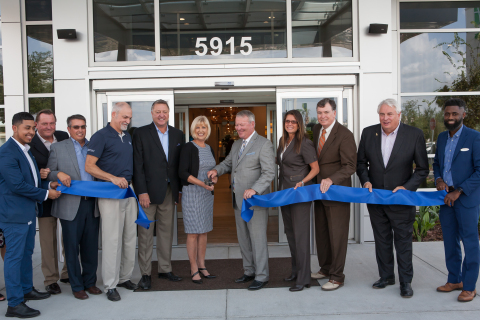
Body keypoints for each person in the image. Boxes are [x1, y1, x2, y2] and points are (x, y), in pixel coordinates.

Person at [357, 98, 428, 298]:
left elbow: (423, 169)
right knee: (382, 240)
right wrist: (365, 181)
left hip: (401, 200)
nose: (385, 118)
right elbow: (361, 163)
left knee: (403, 242)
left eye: (389, 114)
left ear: (398, 115)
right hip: (376, 198)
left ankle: (406, 282)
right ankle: (386, 276)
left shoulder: (414, 134)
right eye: (382, 114)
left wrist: (407, 187)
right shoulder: (369, 133)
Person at [0, 112, 61, 318]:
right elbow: (17, 185)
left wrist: (48, 184)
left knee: (25, 255)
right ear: (14, 128)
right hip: (14, 215)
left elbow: (31, 180)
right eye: (27, 128)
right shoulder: (7, 152)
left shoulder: (25, 150)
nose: (31, 132)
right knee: (14, 258)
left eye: (32, 128)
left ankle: (27, 289)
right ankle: (15, 304)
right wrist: (46, 193)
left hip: (27, 212)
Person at [208, 110, 275, 291]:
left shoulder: (264, 144)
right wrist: (216, 170)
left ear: (252, 124)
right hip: (238, 201)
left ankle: (262, 276)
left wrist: (255, 189)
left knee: (257, 238)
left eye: (241, 125)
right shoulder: (237, 144)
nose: (237, 128)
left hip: (255, 202)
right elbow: (228, 164)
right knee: (243, 238)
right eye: (236, 125)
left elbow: (269, 172)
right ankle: (249, 271)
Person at [85, 102, 138, 301]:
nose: (127, 120)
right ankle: (110, 284)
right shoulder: (100, 136)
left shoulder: (128, 137)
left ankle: (124, 277)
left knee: (129, 236)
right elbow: (90, 166)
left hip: (128, 190)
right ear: (113, 114)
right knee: (111, 239)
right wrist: (112, 178)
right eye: (124, 117)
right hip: (109, 191)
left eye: (129, 117)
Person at [46, 114, 102, 300]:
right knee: (71, 248)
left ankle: (90, 283)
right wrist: (58, 173)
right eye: (76, 127)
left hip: (91, 203)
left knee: (91, 247)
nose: (80, 130)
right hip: (70, 205)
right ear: (69, 129)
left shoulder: (93, 146)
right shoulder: (57, 147)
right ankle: (77, 285)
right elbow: (49, 173)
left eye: (83, 126)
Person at [132, 99, 185, 290]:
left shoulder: (178, 134)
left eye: (164, 111)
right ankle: (145, 274)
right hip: (147, 192)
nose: (161, 115)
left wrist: (179, 190)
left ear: (169, 113)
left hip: (169, 192)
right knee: (145, 235)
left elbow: (179, 165)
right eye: (157, 112)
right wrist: (142, 191)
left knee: (166, 232)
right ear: (152, 113)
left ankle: (165, 268)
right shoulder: (140, 133)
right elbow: (137, 165)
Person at [433, 98, 480, 302]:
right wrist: (439, 179)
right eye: (447, 114)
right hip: (447, 198)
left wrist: (459, 191)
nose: (450, 117)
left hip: (466, 198)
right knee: (450, 241)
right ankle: (455, 279)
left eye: (454, 114)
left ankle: (469, 286)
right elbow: (436, 164)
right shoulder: (442, 137)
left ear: (463, 115)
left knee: (470, 243)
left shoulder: (474, 138)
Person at [310, 98, 357, 291]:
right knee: (321, 233)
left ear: (334, 113)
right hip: (318, 192)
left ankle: (337, 277)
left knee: (337, 235)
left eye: (326, 112)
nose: (322, 116)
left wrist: (331, 179)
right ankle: (325, 268)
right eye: (319, 113)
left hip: (336, 192)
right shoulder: (315, 130)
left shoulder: (345, 135)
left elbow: (350, 166)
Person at [277, 110, 319, 292]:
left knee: (301, 236)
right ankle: (296, 271)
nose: (289, 124)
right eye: (287, 121)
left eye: (293, 121)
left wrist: (303, 182)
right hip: (285, 192)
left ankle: (303, 279)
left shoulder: (305, 143)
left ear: (299, 123)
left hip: (299, 194)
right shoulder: (282, 141)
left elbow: (315, 169)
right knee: (291, 234)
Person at [28, 109, 69, 294]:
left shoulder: (63, 136)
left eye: (52, 123)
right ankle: (51, 279)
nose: (49, 127)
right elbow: (27, 174)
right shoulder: (29, 142)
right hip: (44, 198)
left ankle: (68, 272)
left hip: (67, 196)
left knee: (69, 237)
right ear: (36, 124)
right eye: (44, 124)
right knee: (47, 240)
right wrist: (42, 176)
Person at [179, 116, 217, 284]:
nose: (201, 130)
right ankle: (193, 267)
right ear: (193, 129)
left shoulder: (209, 148)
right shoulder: (188, 147)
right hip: (193, 193)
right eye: (198, 127)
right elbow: (182, 172)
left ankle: (202, 265)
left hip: (206, 194)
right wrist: (202, 183)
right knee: (193, 232)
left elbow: (212, 170)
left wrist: (214, 179)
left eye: (204, 127)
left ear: (207, 129)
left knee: (204, 231)